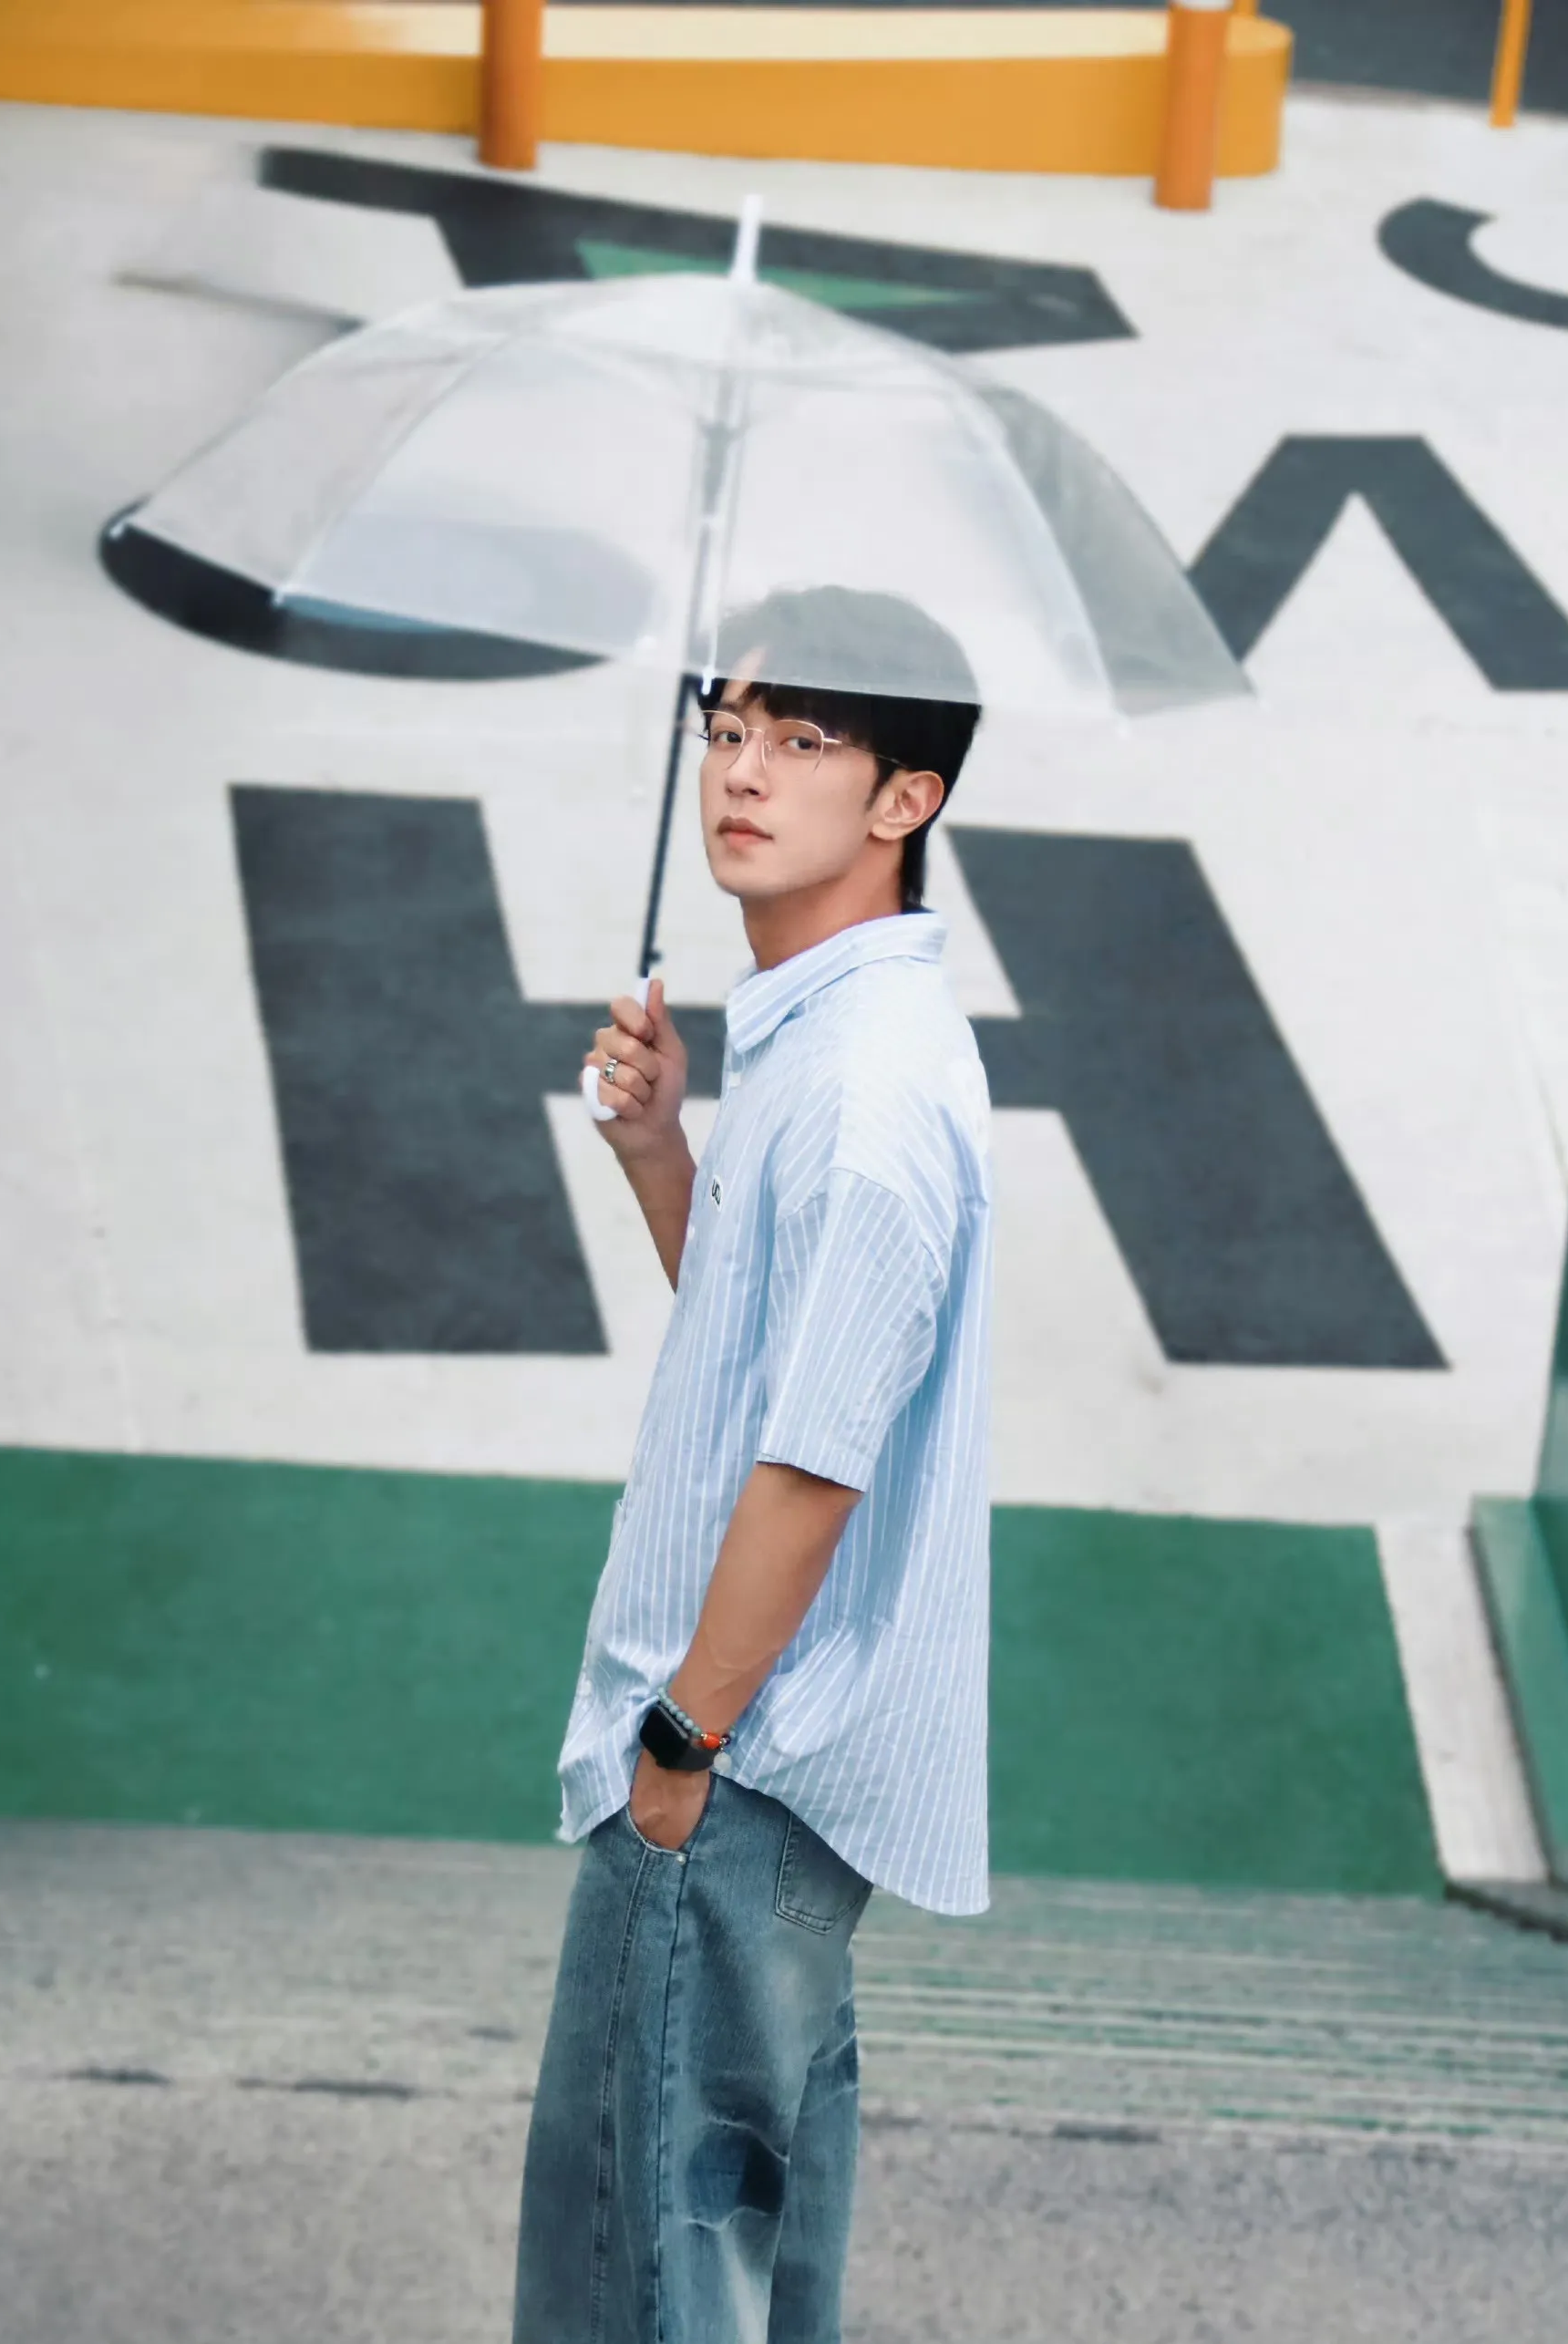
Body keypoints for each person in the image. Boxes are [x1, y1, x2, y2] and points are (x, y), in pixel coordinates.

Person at [511, 587, 994, 2344]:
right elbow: (757, 1339)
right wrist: (663, 1150)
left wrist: (680, 1744)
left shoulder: (868, 1094)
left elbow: (812, 1464)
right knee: (733, 2275)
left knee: (637, 2280)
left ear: (904, 799)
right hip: (755, 1782)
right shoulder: (814, 1030)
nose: (741, 772)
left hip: (734, 1777)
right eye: (727, 730)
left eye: (801, 741)